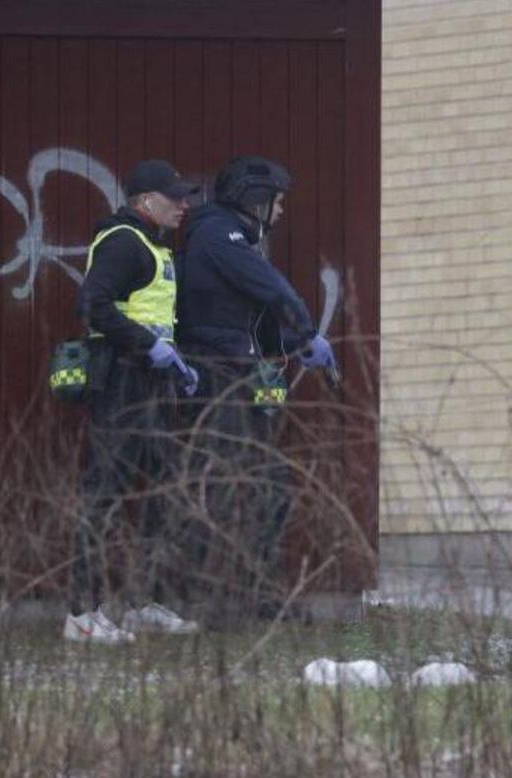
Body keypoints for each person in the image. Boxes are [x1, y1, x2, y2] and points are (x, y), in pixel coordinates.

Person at [175, 155, 335, 622]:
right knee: (227, 487)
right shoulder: (217, 234)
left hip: (237, 371)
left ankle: (262, 595)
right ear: (255, 198)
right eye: (277, 202)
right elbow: (273, 289)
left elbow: (249, 327)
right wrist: (306, 329)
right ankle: (216, 601)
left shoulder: (233, 240)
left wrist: (293, 345)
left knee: (268, 486)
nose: (281, 211)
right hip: (217, 376)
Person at [65, 159, 202, 643]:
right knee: (104, 495)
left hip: (150, 384)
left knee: (161, 494)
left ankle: (144, 603)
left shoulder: (152, 246)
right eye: (175, 197)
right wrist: (149, 346)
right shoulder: (124, 242)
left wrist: (175, 363)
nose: (184, 205)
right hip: (122, 383)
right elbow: (93, 305)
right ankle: (82, 615)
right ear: (146, 201)